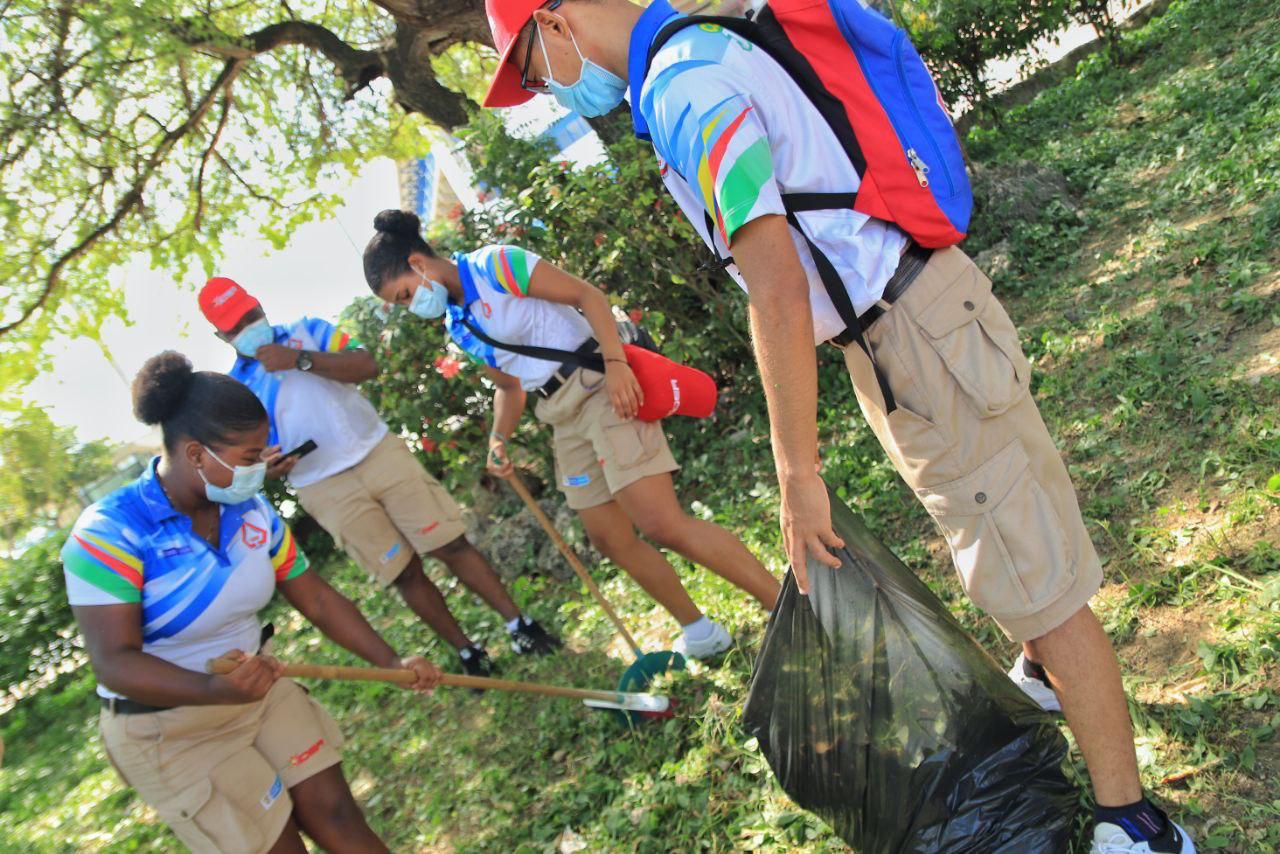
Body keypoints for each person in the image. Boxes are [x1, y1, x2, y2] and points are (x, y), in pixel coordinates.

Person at [476, 1, 1195, 852]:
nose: (545, 90)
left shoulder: (683, 89)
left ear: (555, 22)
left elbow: (774, 283)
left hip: (913, 333)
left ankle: (1136, 822)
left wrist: (796, 477)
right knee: (999, 542)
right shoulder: (697, 49)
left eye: (529, 68)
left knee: (1034, 568)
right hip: (897, 335)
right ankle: (1042, 674)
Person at [62, 351, 441, 853]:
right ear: (197, 454)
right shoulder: (111, 532)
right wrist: (216, 689)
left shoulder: (250, 510)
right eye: (247, 458)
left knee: (339, 818)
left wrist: (392, 662)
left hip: (260, 689)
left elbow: (318, 598)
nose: (259, 468)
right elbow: (114, 664)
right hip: (171, 730)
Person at [361, 210, 780, 659]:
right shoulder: (457, 325)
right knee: (609, 538)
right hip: (559, 415)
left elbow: (587, 295)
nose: (412, 307)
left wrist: (617, 365)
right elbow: (508, 386)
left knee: (661, 524)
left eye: (405, 295)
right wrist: (498, 439)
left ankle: (784, 602)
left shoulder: (495, 264)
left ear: (418, 263)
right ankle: (699, 630)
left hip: (600, 386)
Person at [197, 276, 560, 677]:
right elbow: (247, 455)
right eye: (236, 326)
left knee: (449, 542)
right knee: (401, 572)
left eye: (251, 315)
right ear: (221, 335)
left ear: (260, 305)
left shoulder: (309, 330)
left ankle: (517, 623)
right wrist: (267, 467)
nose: (249, 327)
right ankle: (468, 652)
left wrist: (300, 359)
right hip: (322, 486)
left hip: (376, 450)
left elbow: (365, 364)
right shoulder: (236, 388)